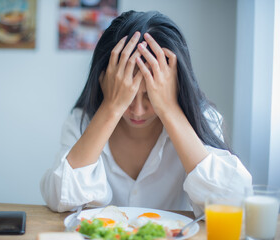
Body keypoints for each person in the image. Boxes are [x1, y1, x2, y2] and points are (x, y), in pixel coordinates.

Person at [40, 10, 252, 216]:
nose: (138, 111)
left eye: (150, 95)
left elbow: (234, 204)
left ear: (176, 86)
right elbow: (60, 198)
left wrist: (169, 108)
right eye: (127, 95)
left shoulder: (205, 120)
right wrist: (112, 107)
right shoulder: (81, 122)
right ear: (106, 82)